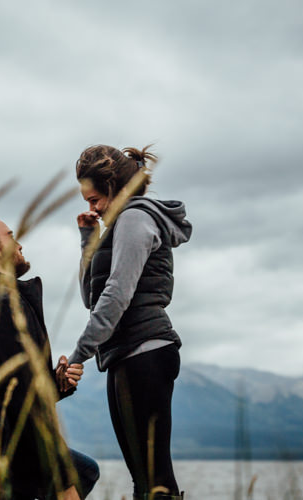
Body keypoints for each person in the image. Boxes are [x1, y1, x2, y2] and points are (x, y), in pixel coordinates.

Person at [66, 145, 192, 500]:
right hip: (123, 355)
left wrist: (77, 357)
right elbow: (92, 298)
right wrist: (88, 240)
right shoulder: (120, 224)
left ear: (112, 189)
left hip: (145, 352)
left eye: (95, 200)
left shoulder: (136, 219)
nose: (93, 209)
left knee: (154, 480)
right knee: (143, 480)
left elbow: (117, 296)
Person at [0, 214, 98, 499]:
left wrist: (54, 384)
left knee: (86, 470)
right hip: (5, 460)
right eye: (10, 235)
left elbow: (3, 390)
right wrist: (62, 482)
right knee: (81, 472)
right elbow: (22, 405)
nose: (19, 244)